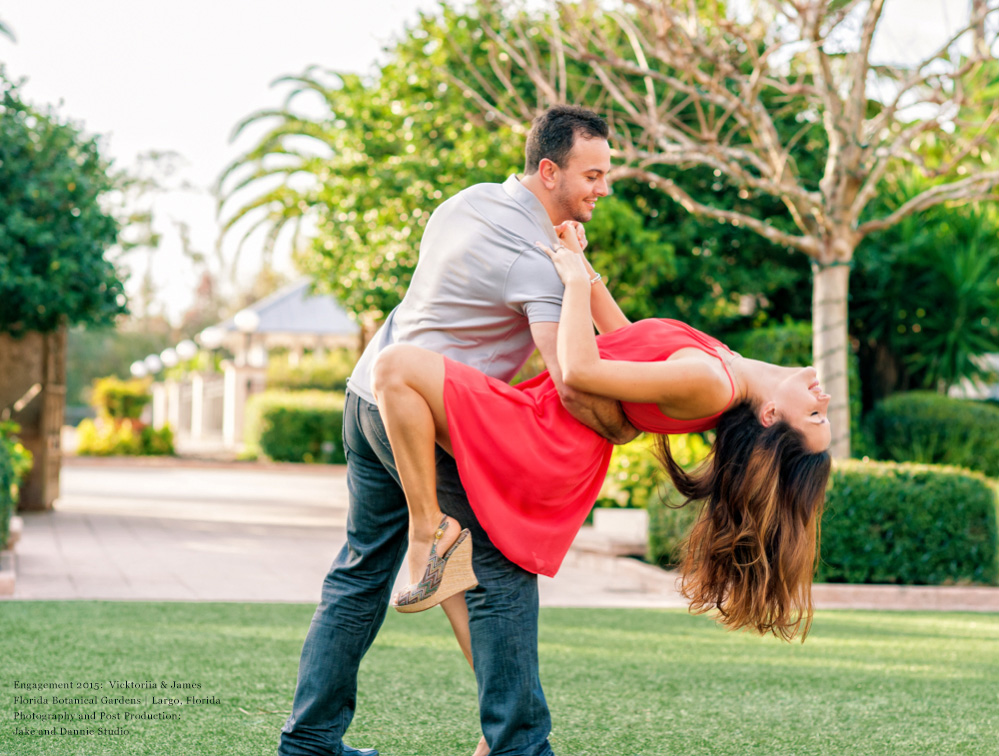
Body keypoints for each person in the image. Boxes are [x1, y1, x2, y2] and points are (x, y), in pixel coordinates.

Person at [278, 106, 638, 756]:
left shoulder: (467, 202)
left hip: (366, 400)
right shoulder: (532, 257)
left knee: (359, 574)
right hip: (421, 417)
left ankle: (308, 743)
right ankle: (519, 747)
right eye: (592, 174)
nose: (602, 187)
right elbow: (571, 379)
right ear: (549, 170)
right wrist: (626, 426)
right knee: (499, 573)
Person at [372, 224, 833, 645]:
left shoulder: (713, 385)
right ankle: (503, 724)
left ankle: (429, 529)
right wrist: (581, 260)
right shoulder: (724, 364)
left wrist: (572, 281)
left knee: (396, 367)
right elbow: (628, 337)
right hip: (545, 426)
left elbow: (579, 371)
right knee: (402, 385)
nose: (824, 401)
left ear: (771, 416)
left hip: (545, 438)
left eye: (815, 416)